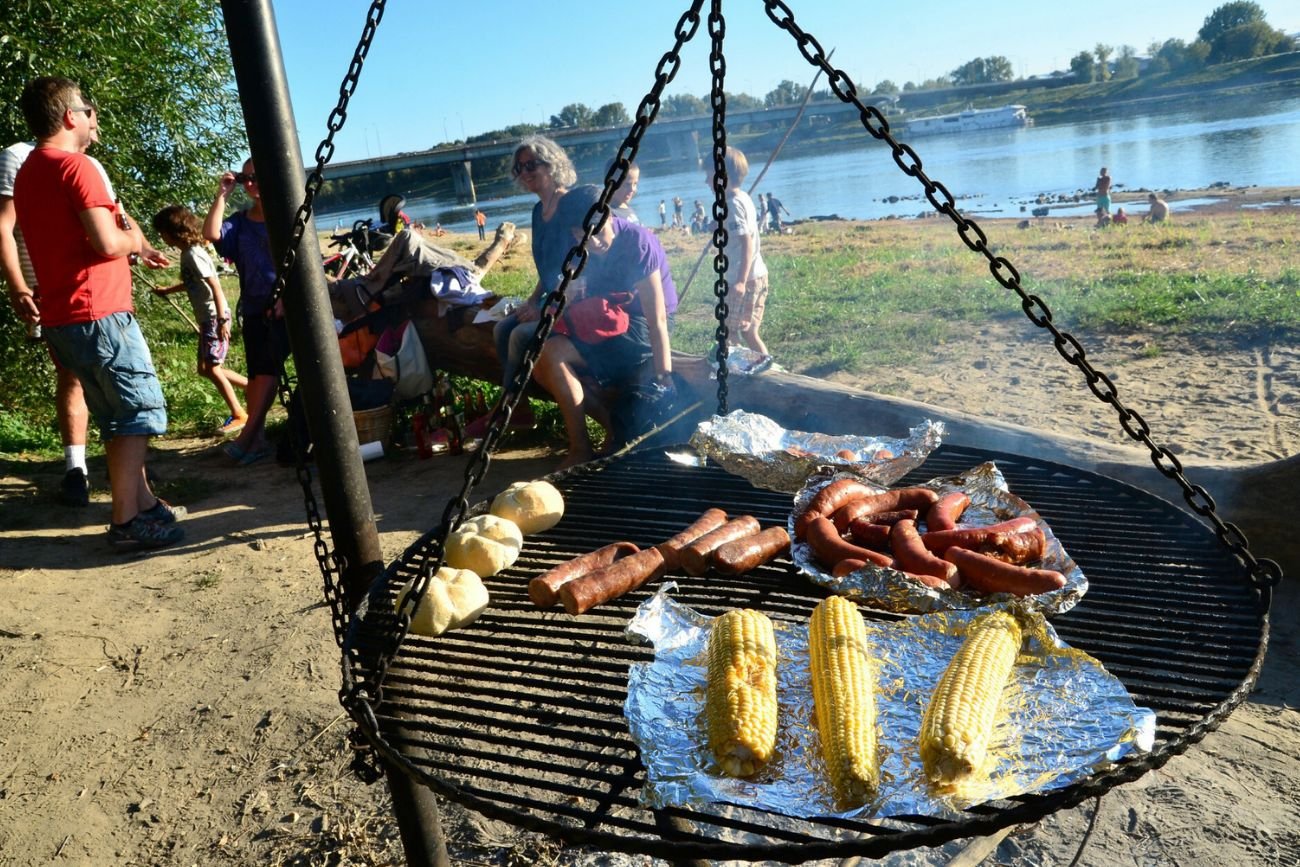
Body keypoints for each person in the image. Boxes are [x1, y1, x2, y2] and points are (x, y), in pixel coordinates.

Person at [13, 76, 181, 549]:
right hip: (99, 313)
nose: (94, 119)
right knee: (136, 410)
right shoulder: (77, 166)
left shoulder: (28, 171)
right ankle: (126, 522)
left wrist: (133, 243)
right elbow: (107, 242)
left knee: (112, 413)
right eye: (89, 110)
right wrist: (132, 241)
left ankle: (143, 501)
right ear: (70, 116)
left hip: (63, 316)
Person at [530, 185, 677, 470]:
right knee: (543, 357)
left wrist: (664, 375)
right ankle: (597, 437)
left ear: (608, 214)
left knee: (554, 358)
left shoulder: (636, 243)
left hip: (641, 325)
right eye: (582, 235)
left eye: (598, 232)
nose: (594, 243)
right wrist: (569, 291)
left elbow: (657, 319)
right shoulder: (582, 246)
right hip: (608, 318)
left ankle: (589, 444)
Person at [2, 139, 93, 505]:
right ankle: (77, 470)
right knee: (73, 375)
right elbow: (3, 225)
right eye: (92, 117)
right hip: (47, 287)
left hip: (93, 286)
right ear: (73, 115)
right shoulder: (18, 157)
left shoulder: (82, 160)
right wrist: (18, 285)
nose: (96, 128)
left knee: (102, 376)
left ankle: (129, 470)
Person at [203, 158, 288, 466]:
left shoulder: (285, 218)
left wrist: (287, 298)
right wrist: (222, 194)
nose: (250, 183)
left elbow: (302, 261)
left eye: (256, 177)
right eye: (245, 178)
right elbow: (211, 234)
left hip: (284, 308)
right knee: (256, 375)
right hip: (253, 308)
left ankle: (247, 437)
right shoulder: (239, 223)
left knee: (267, 371)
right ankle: (258, 438)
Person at [150, 205, 248, 434]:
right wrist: (168, 290)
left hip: (214, 317)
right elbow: (194, 283)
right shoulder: (188, 254)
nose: (161, 237)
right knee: (205, 369)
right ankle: (251, 388)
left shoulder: (194, 254)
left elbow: (215, 285)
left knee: (213, 368)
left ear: (174, 231)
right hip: (208, 319)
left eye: (162, 232)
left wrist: (222, 320)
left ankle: (239, 413)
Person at [491, 134, 576, 394]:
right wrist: (532, 300)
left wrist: (546, 311)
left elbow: (577, 269)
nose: (525, 172)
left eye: (531, 165)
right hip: (552, 298)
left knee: (518, 336)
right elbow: (549, 267)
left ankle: (511, 402)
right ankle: (521, 404)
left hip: (575, 300)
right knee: (501, 328)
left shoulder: (569, 205)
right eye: (520, 168)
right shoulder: (538, 211)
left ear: (551, 164)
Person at [709, 147, 771, 366]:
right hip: (757, 274)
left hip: (743, 278)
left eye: (709, 175)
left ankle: (743, 368)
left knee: (730, 332)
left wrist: (740, 282)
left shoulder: (732, 204)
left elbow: (747, 242)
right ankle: (764, 364)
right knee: (749, 331)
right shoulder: (741, 198)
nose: (706, 181)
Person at [607, 159, 640, 224]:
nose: (632, 189)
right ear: (612, 184)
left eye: (635, 183)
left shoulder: (626, 207)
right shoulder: (611, 215)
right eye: (627, 184)